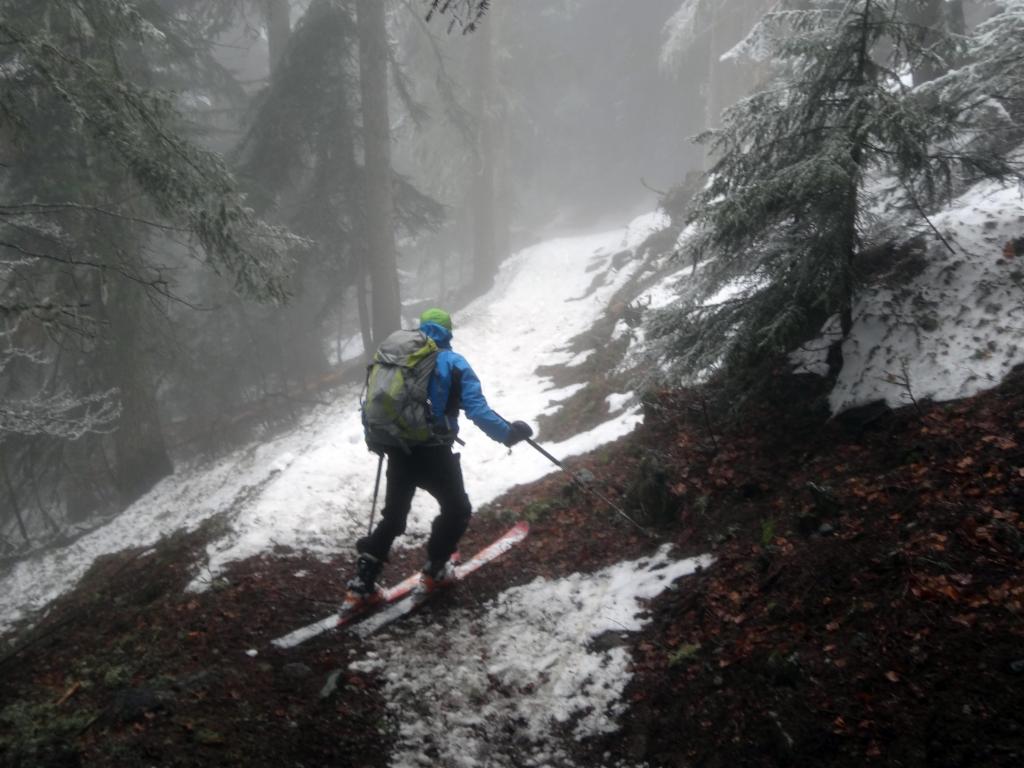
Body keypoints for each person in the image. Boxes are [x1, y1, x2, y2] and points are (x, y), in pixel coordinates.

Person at [345, 307, 533, 603]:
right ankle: (435, 569)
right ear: (449, 332)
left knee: (393, 517)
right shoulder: (453, 363)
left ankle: (361, 585)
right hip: (434, 454)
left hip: (398, 450)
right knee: (457, 509)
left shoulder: (399, 359)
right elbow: (478, 410)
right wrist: (509, 434)